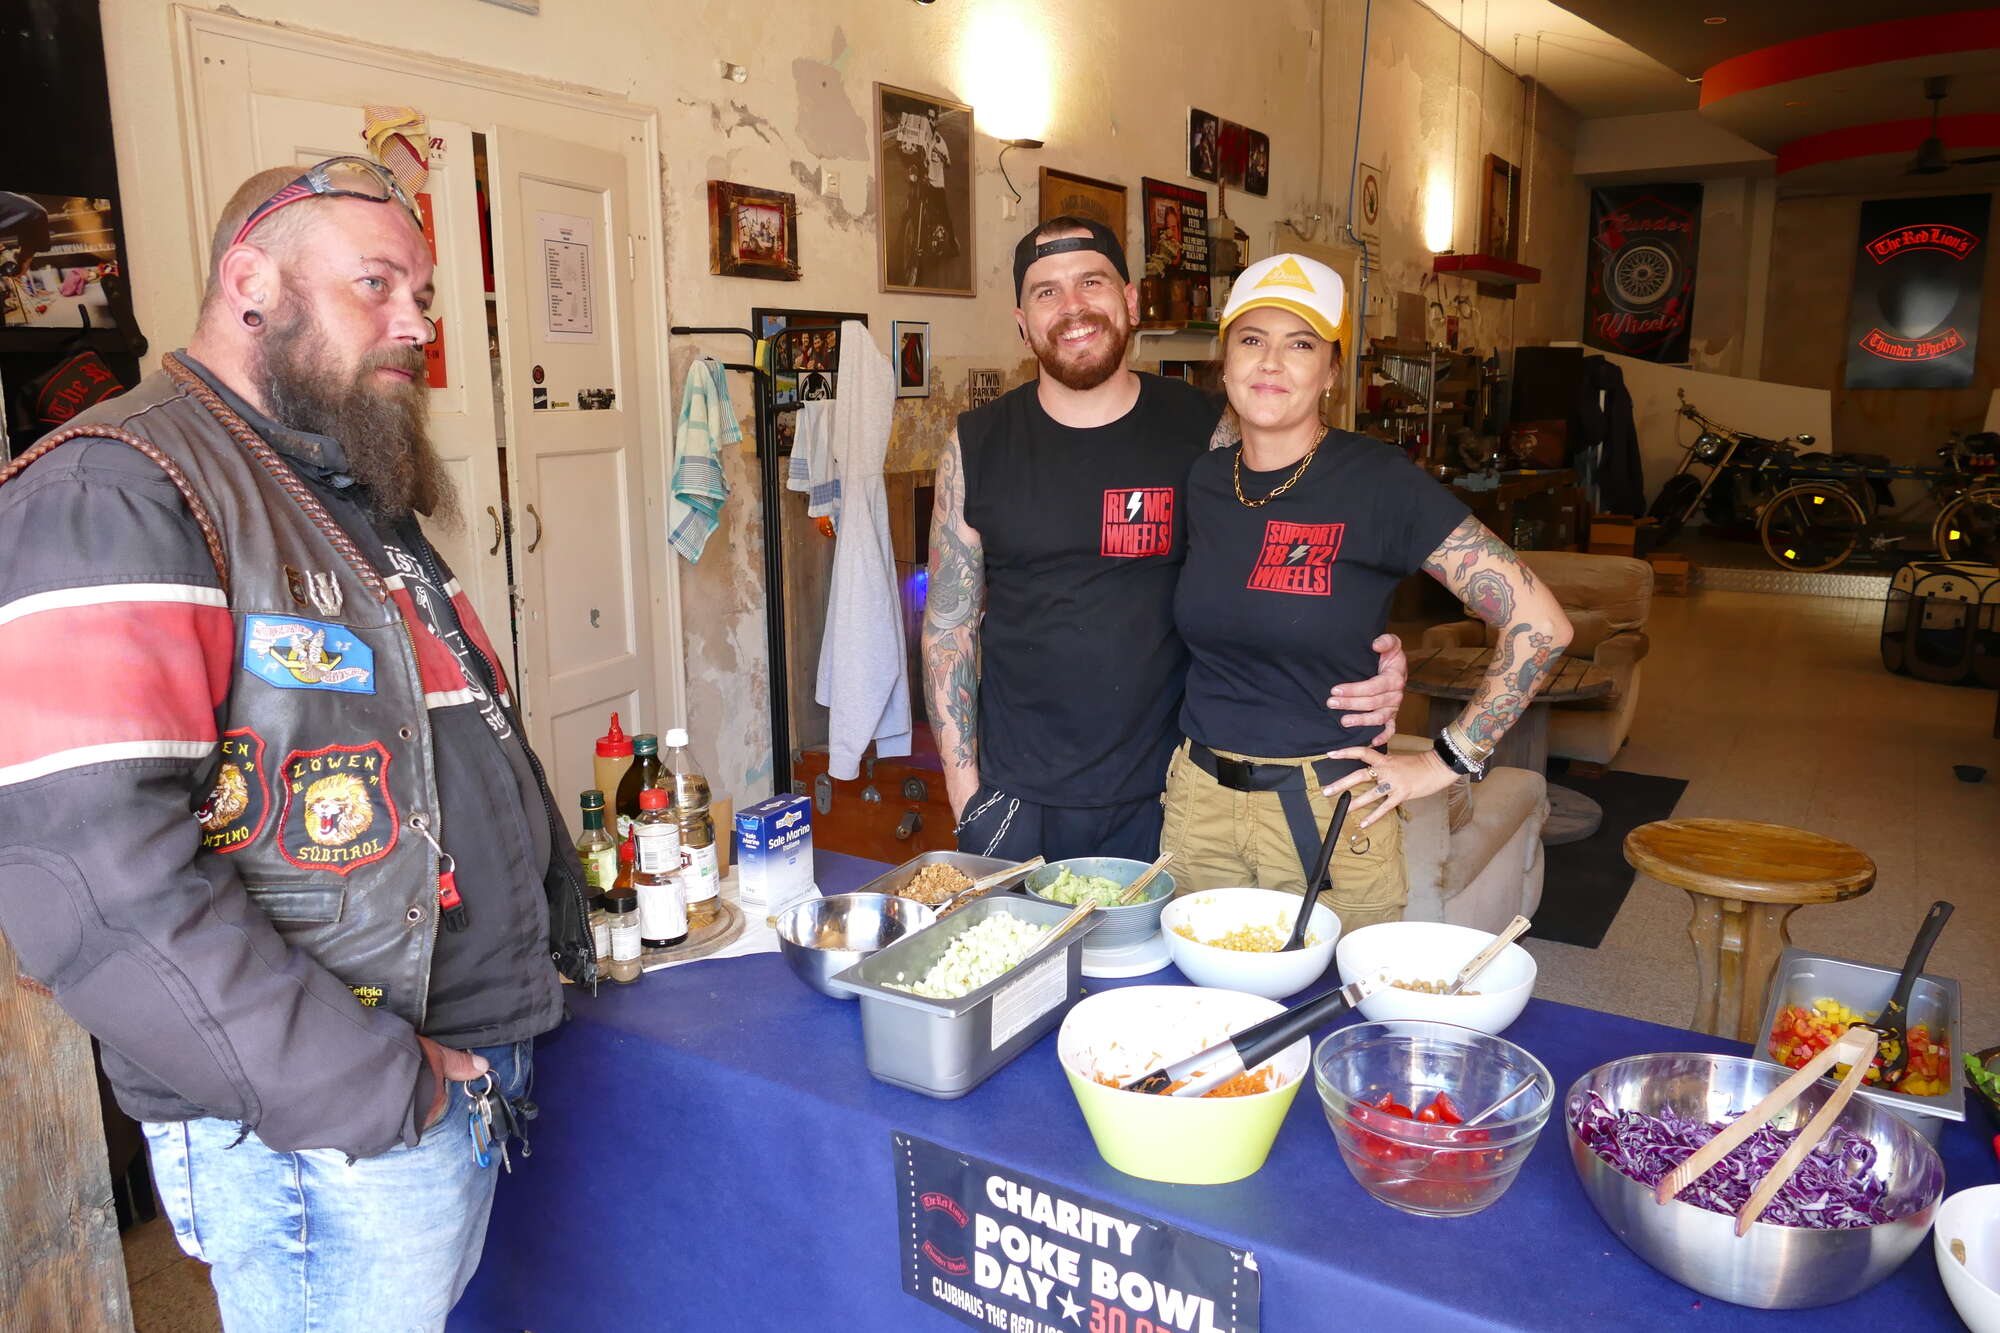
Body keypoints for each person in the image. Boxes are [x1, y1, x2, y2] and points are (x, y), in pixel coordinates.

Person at [0, 157, 595, 1331]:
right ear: (251, 283)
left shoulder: (334, 476)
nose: (416, 322)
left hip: (433, 1081)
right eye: (377, 284)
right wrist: (380, 1086)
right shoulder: (112, 491)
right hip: (331, 1128)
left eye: (421, 294)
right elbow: (97, 884)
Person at [923, 218, 1407, 864]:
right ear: (1022, 321)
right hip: (1015, 798)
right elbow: (949, 629)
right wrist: (967, 798)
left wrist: (1373, 657)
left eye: (1091, 282)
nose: (1072, 307)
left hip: (1177, 794)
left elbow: (1295, 567)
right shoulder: (976, 445)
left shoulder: (1208, 430)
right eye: (1047, 292)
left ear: (1130, 301)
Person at [1163, 253, 1573, 927]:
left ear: (1331, 370)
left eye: (1301, 344)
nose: (1271, 363)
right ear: (1226, 361)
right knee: (1195, 992)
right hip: (1197, 805)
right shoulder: (1205, 480)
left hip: (1328, 806)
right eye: (1252, 339)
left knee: (1343, 994)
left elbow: (1542, 624)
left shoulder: (1379, 482)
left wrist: (1446, 760)